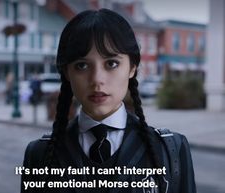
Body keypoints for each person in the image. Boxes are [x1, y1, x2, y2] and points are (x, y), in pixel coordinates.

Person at [21, 9, 196, 193]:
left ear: (132, 68)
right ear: (67, 73)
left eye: (111, 63)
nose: (97, 79)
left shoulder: (170, 150)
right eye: (82, 65)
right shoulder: (39, 155)